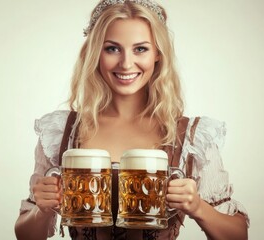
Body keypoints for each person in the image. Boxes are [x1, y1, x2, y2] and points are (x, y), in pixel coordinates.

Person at [14, 0, 249, 239]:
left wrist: (198, 207)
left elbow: (238, 235)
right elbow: (26, 235)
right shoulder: (62, 132)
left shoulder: (191, 137)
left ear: (158, 54)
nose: (126, 63)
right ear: (95, 53)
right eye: (112, 48)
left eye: (140, 49)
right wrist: (42, 211)